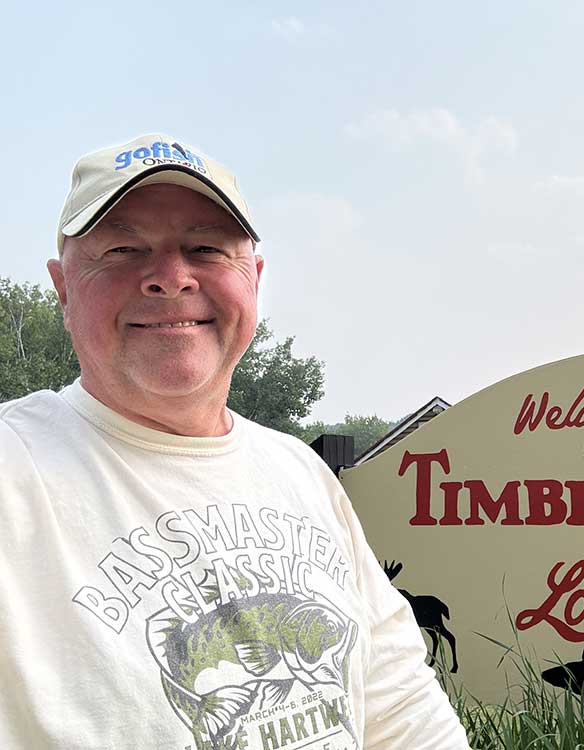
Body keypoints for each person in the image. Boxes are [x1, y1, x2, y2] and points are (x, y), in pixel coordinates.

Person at [0, 134, 471, 750]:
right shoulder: (15, 468)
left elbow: (401, 709)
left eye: (205, 248)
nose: (170, 279)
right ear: (63, 289)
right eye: (122, 249)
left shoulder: (301, 473)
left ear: (254, 279)